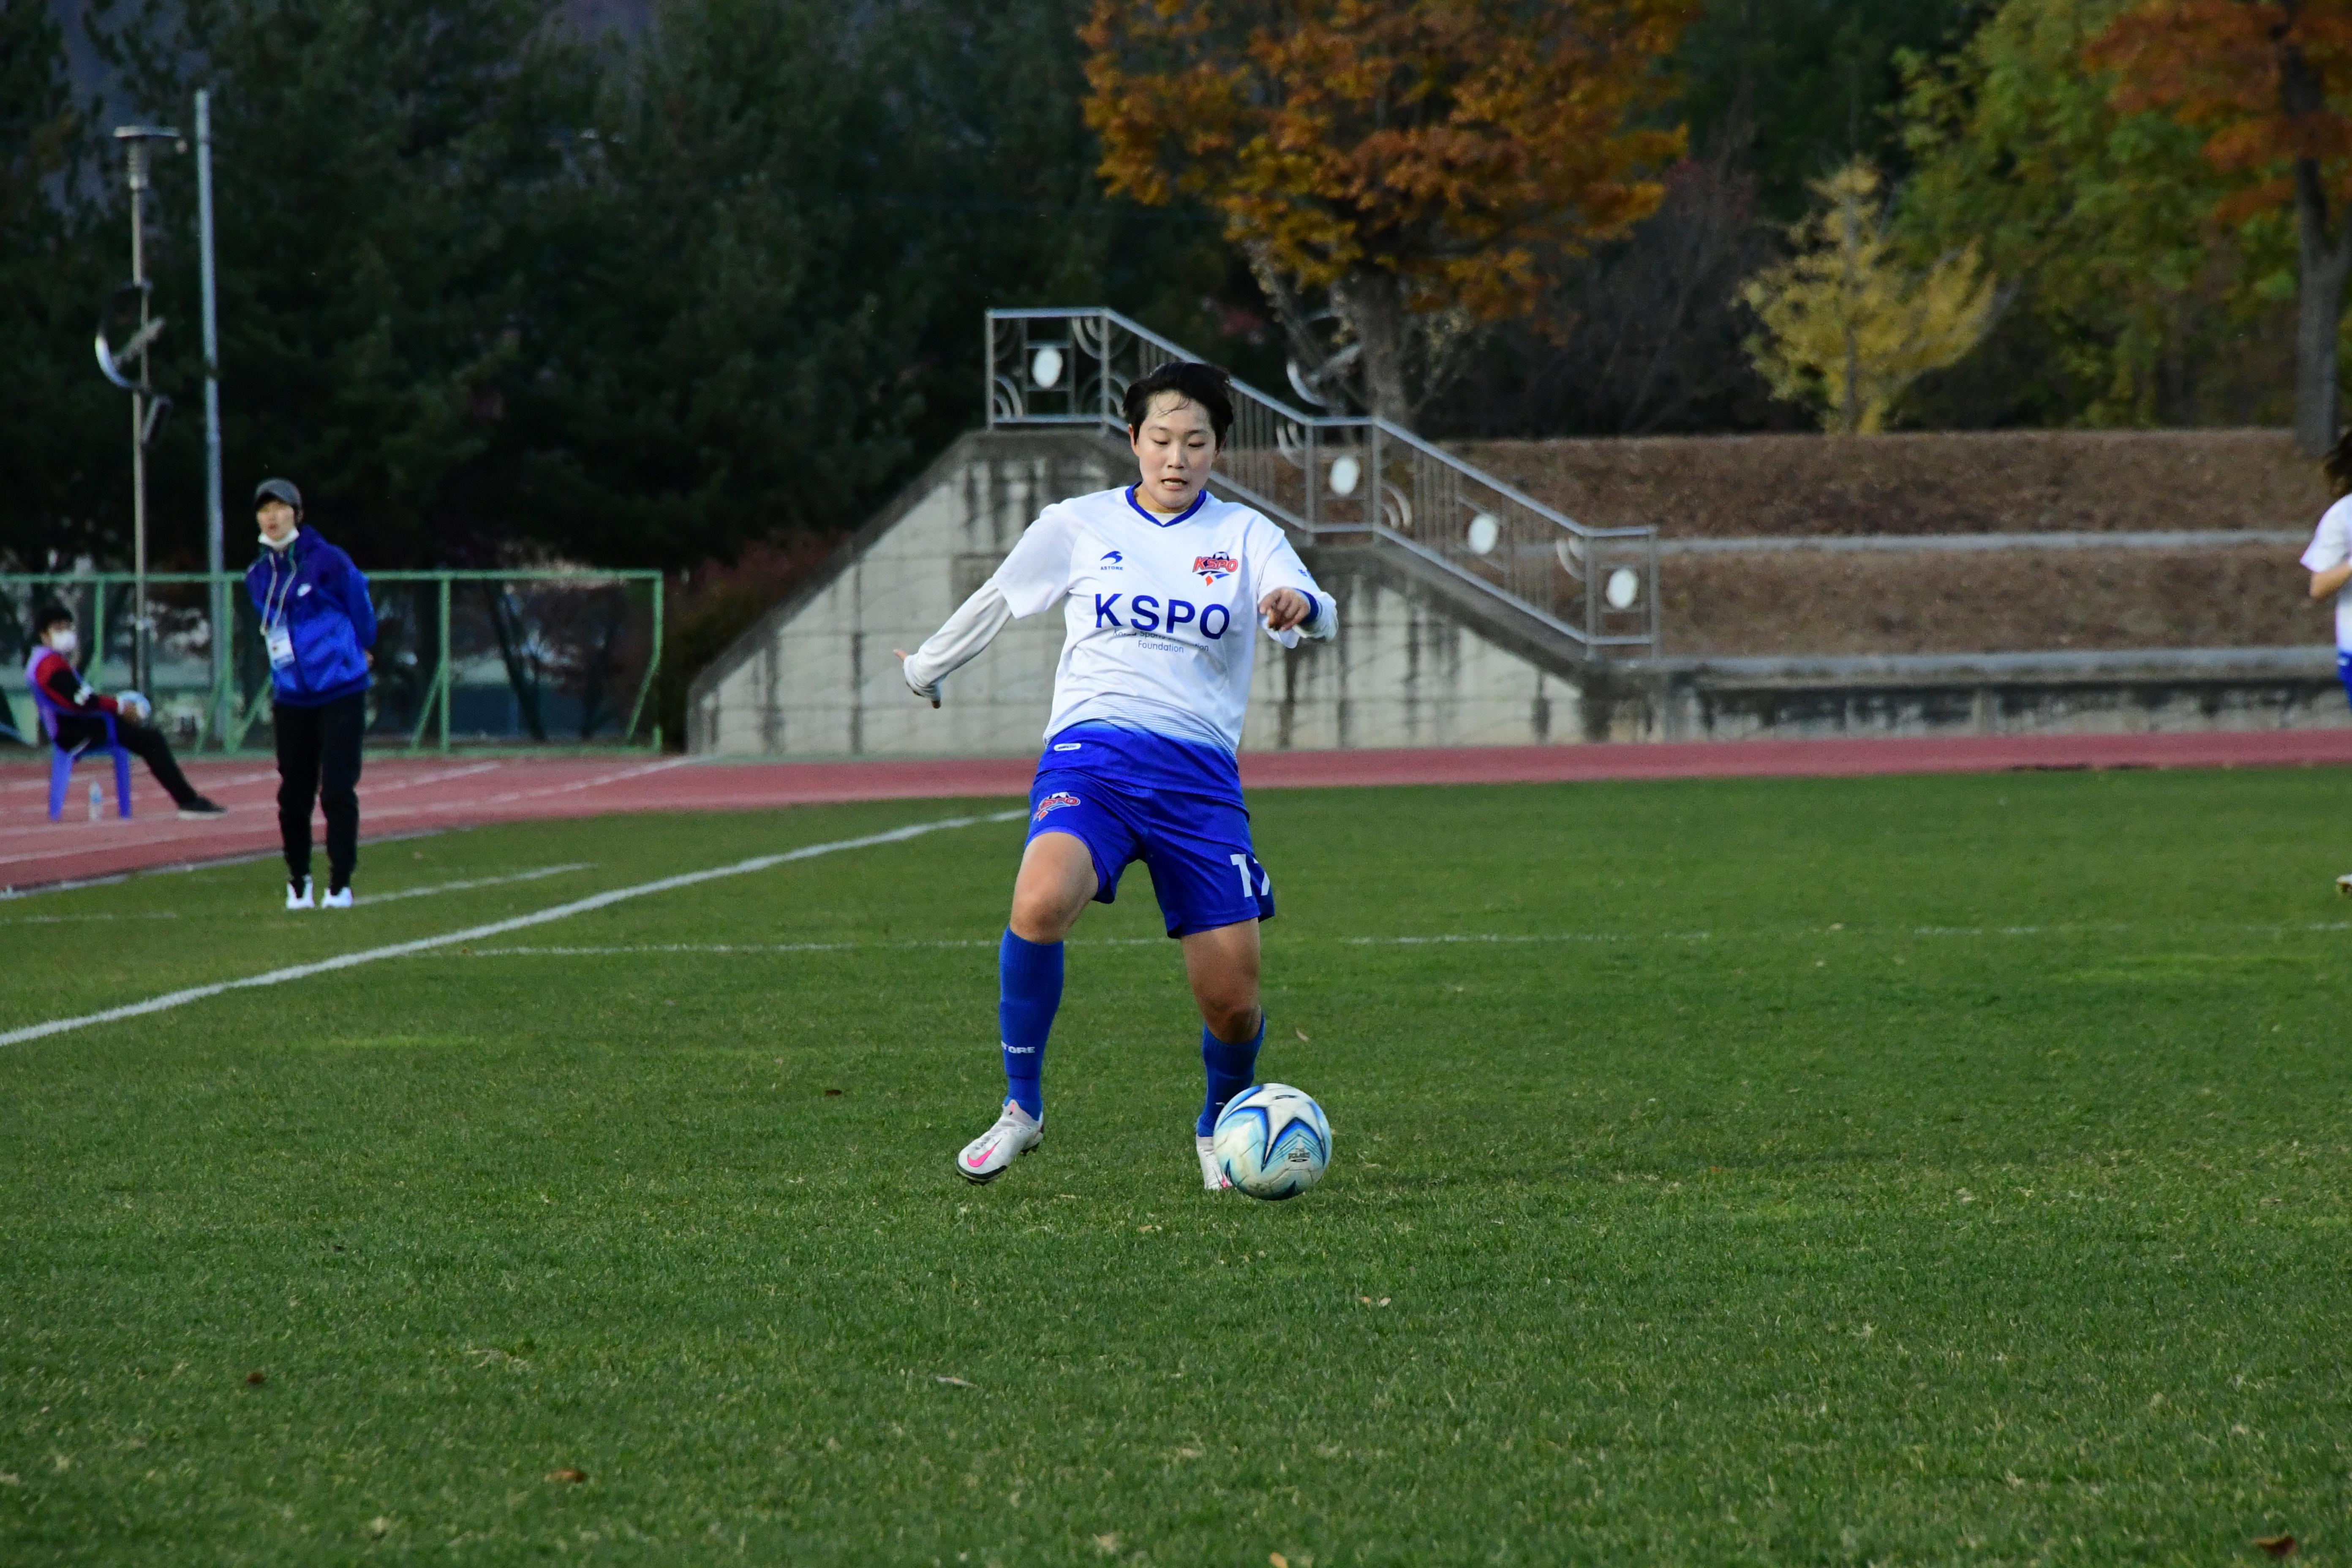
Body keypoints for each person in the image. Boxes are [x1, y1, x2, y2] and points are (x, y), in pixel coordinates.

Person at [898, 361, 1338, 1189]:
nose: (1177, 457)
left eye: (1197, 442)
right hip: (1090, 759)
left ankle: (1221, 1127)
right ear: (1133, 439)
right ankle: (1020, 1110)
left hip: (1198, 782)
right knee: (1037, 898)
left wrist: (1299, 606)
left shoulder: (1246, 536)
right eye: (1162, 439)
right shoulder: (1080, 523)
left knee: (1234, 1001)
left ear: (1217, 448)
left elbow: (1313, 601)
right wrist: (926, 666)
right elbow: (1001, 596)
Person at [245, 477, 376, 910]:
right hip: (292, 696)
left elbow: (360, 606)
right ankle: (298, 879)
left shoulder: (329, 562)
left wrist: (362, 648)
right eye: (265, 509)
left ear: (297, 513)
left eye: (280, 507)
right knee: (293, 793)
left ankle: (340, 883)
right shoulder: (258, 576)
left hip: (340, 689)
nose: (272, 516)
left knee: (337, 789)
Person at [23, 605, 226, 817]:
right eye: (58, 628)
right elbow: (81, 700)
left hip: (78, 726)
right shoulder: (49, 664)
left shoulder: (44, 660)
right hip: (74, 732)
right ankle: (188, 801)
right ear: (44, 635)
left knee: (146, 737)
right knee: (152, 740)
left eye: (68, 627)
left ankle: (188, 800)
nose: (65, 633)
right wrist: (119, 707)